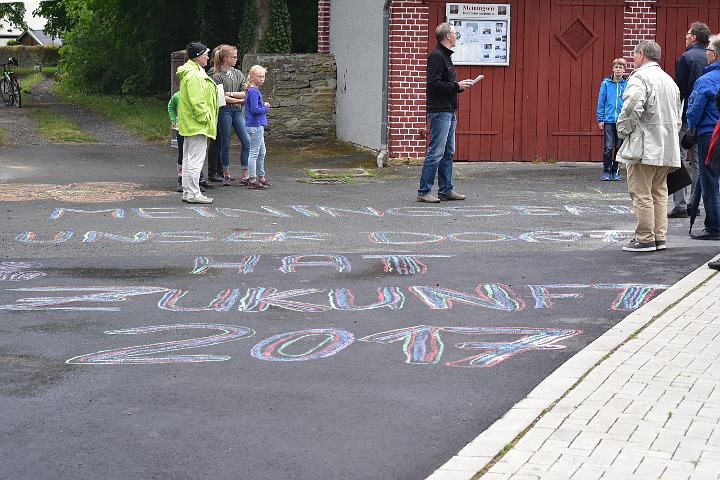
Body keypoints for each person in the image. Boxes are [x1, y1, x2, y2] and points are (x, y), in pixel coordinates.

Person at [616, 40, 682, 252]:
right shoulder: (669, 80)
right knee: (659, 193)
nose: (632, 59)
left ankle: (644, 238)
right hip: (666, 145)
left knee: (641, 192)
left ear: (641, 54)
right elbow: (678, 115)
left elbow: (632, 105)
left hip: (644, 146)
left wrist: (622, 129)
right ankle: (659, 237)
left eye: (634, 55)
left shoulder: (641, 77)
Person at [416, 22, 474, 203]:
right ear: (448, 36)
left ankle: (446, 190)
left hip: (449, 111)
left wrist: (458, 86)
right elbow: (433, 85)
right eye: (456, 33)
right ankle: (424, 191)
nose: (458, 36)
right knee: (436, 151)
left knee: (448, 152)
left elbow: (444, 84)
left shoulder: (446, 56)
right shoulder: (437, 57)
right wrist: (456, 85)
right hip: (440, 111)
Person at [669, 21, 711, 218]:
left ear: (694, 37)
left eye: (687, 34)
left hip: (687, 117)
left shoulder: (687, 57)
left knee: (676, 156)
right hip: (707, 119)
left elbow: (679, 91)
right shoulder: (712, 56)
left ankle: (680, 204)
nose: (685, 37)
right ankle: (695, 203)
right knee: (698, 161)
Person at [177, 41, 219, 204]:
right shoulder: (195, 75)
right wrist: (205, 118)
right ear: (198, 57)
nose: (208, 57)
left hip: (191, 123)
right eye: (206, 54)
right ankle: (193, 193)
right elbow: (197, 100)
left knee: (189, 159)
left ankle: (189, 191)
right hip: (197, 124)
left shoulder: (192, 72)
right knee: (195, 159)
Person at [687, 35, 720, 240]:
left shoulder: (705, 80)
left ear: (715, 54)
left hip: (710, 134)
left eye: (707, 51)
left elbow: (694, 110)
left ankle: (714, 227)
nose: (705, 54)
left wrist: (691, 128)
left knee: (709, 181)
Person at [211, 45, 251, 186]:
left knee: (246, 142)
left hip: (237, 111)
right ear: (226, 58)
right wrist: (239, 100)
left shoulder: (238, 73)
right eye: (233, 57)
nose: (236, 59)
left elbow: (245, 92)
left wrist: (231, 94)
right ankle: (226, 174)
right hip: (225, 111)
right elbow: (221, 98)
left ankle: (245, 174)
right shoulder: (217, 76)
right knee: (225, 143)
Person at [168, 91, 211, 193]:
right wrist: (173, 120)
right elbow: (170, 106)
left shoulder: (197, 95)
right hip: (181, 127)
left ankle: (195, 181)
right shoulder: (177, 96)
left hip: (194, 128)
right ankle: (180, 179)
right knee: (182, 153)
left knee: (195, 154)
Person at [596, 58, 628, 181]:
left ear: (624, 70)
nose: (618, 69)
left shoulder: (627, 84)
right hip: (609, 120)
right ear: (613, 68)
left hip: (621, 121)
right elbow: (601, 102)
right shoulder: (606, 84)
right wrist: (600, 119)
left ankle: (616, 171)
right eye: (616, 67)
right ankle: (606, 171)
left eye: (621, 67)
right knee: (608, 147)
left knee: (619, 147)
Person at [244, 65, 271, 189]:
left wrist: (263, 104)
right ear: (252, 77)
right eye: (259, 76)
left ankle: (261, 177)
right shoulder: (253, 91)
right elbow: (255, 109)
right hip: (255, 125)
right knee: (254, 152)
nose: (262, 79)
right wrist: (265, 108)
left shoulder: (253, 91)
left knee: (261, 152)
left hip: (257, 125)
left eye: (263, 76)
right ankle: (252, 179)